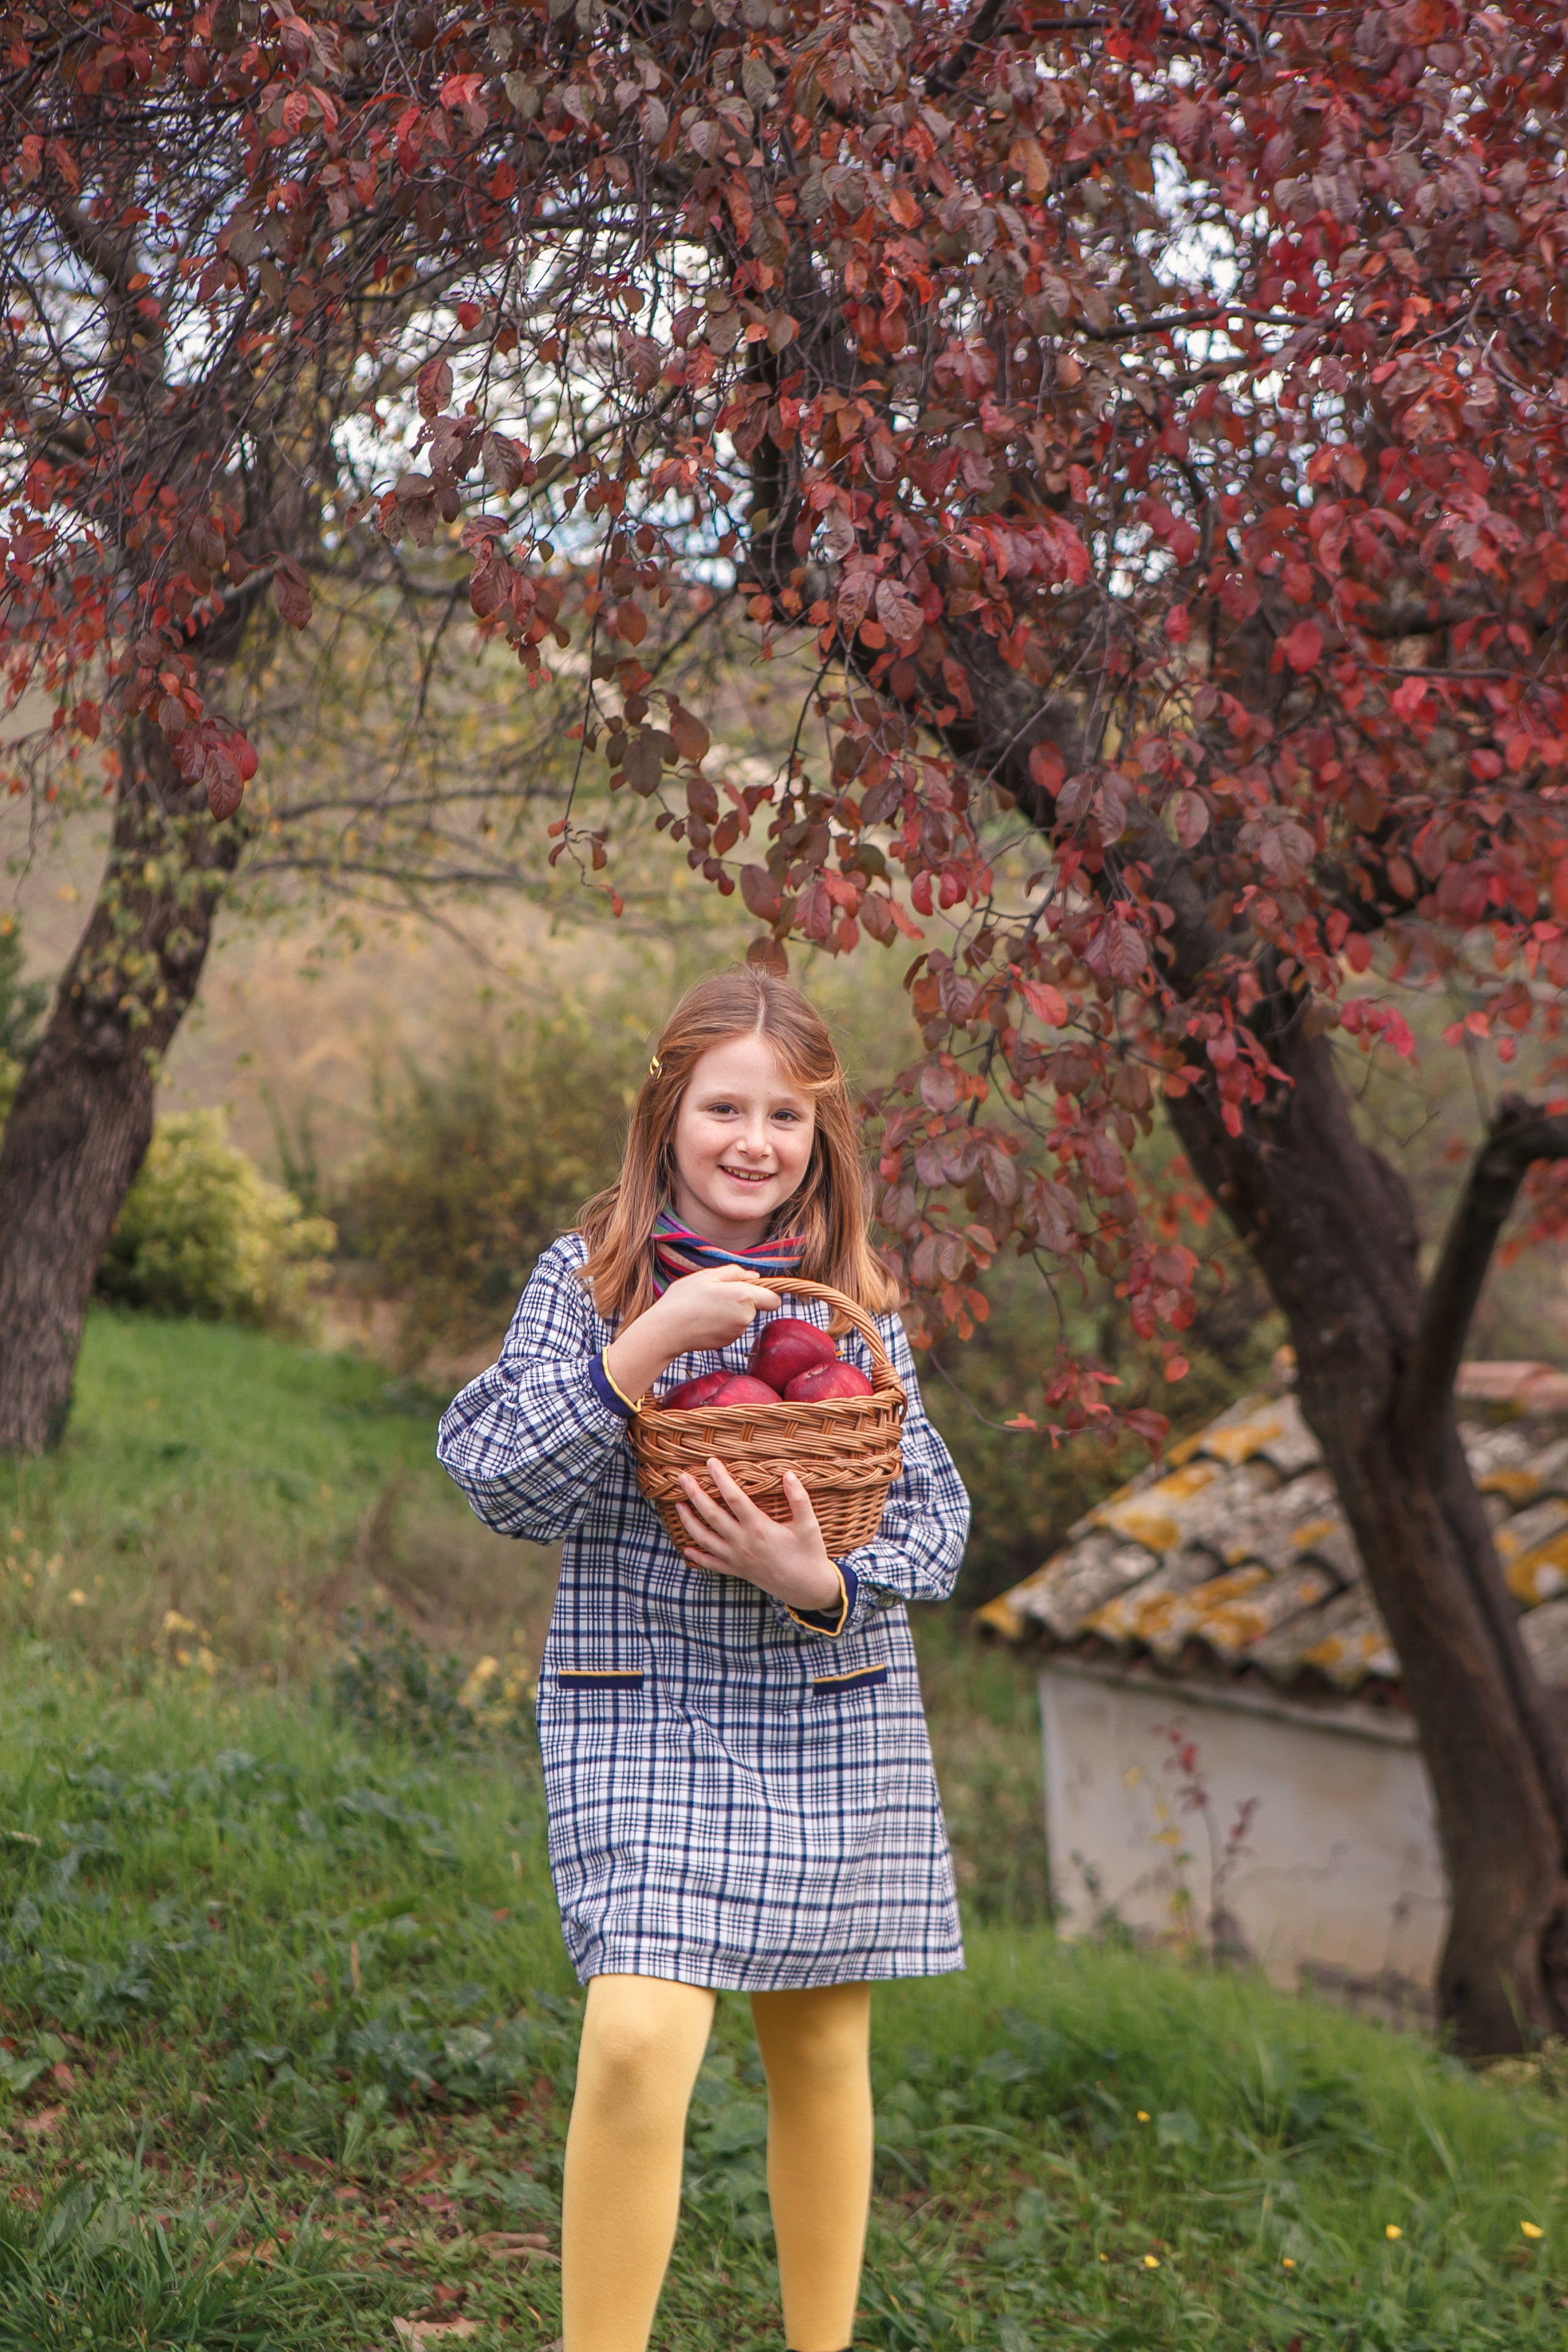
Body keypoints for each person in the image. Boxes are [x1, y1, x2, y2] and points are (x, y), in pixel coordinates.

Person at [437, 965, 970, 2352]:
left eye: (784, 1116)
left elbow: (936, 1522)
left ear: (819, 1139)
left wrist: (820, 1584)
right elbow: (501, 1483)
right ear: (666, 1114)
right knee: (634, 2037)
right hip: (642, 1704)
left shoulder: (851, 1302)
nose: (753, 1140)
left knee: (819, 2049)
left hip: (822, 1703)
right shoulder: (592, 1276)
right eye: (724, 1106)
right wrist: (643, 1352)